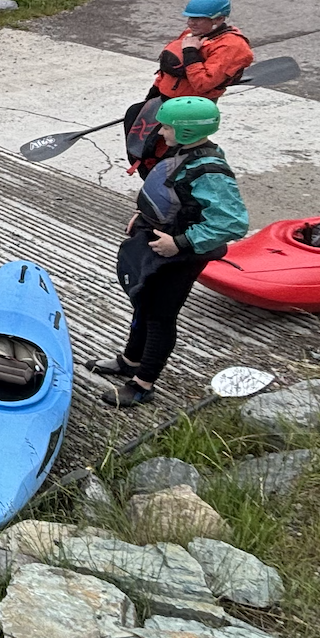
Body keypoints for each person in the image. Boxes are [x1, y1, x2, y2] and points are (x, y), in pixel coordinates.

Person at [90, 97, 249, 408]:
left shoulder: (210, 172)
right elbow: (176, 196)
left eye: (166, 127)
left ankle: (142, 383)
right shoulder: (186, 153)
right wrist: (144, 215)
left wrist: (180, 243)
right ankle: (130, 360)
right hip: (162, 241)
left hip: (181, 256)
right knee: (143, 305)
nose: (160, 132)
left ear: (187, 131)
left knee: (160, 316)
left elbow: (233, 222)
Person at [123, 0, 254, 177]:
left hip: (191, 110)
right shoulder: (193, 34)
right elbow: (167, 69)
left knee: (170, 154)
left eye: (199, 19)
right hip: (166, 101)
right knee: (138, 125)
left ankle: (173, 189)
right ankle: (152, 185)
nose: (191, 23)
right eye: (190, 17)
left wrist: (191, 52)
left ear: (219, 19)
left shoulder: (233, 47)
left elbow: (203, 84)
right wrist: (153, 94)